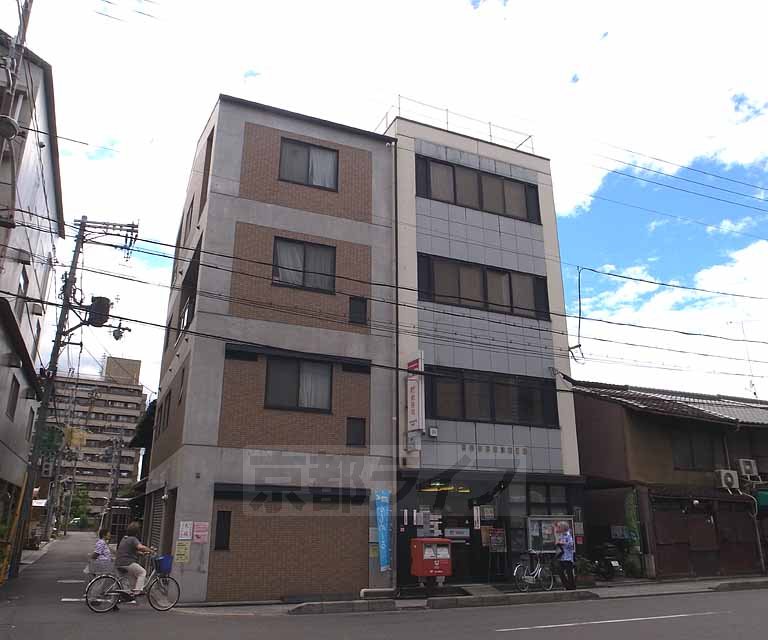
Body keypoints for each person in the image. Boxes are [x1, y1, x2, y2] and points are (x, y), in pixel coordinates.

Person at [115, 521, 152, 595]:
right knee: (142, 572)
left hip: (118, 563)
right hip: (127, 563)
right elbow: (140, 547)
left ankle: (116, 600)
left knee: (125, 582)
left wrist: (141, 554)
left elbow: (129, 551)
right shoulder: (133, 539)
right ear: (137, 532)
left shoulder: (125, 538)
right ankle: (138, 591)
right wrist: (150, 550)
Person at [556, 522, 576, 590]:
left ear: (563, 528)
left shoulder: (568, 534)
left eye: (559, 527)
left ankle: (571, 586)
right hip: (562, 556)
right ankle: (567, 585)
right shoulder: (562, 535)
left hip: (568, 557)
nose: (558, 529)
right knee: (560, 571)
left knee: (569, 572)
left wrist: (562, 543)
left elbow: (571, 544)